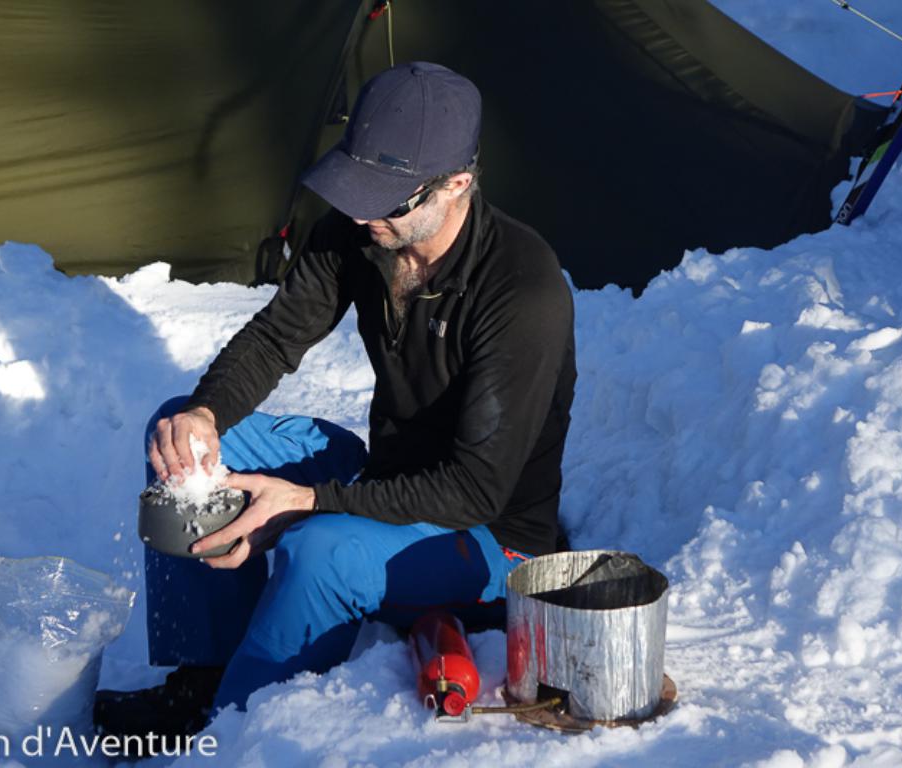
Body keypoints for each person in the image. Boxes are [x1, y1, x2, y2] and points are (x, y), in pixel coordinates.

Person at [95, 61, 577, 739]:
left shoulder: (522, 291)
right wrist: (204, 414)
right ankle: (200, 680)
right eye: (356, 186)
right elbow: (275, 337)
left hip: (490, 542)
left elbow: (477, 489)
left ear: (457, 184)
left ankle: (230, 735)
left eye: (386, 196)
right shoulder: (365, 232)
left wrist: (307, 502)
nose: (360, 210)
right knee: (184, 437)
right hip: (387, 481)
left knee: (318, 550)